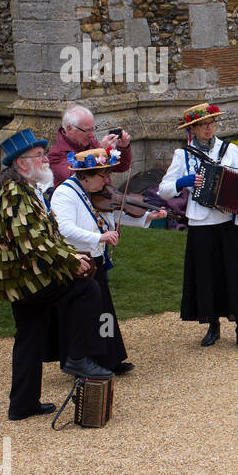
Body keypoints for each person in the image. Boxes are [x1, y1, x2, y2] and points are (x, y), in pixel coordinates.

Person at [0, 129, 112, 421]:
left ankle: (22, 404)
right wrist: (71, 261)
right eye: (39, 156)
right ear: (21, 163)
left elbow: (47, 235)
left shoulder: (27, 191)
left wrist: (70, 255)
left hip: (22, 278)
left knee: (29, 336)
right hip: (25, 278)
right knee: (85, 289)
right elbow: (33, 241)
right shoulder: (15, 193)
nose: (45, 160)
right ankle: (77, 358)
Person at [50, 147, 165, 375]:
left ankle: (109, 358)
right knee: (84, 314)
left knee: (104, 312)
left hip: (96, 259)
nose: (107, 180)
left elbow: (113, 212)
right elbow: (64, 229)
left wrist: (146, 217)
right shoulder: (65, 194)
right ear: (85, 176)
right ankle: (82, 360)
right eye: (102, 176)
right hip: (78, 262)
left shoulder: (93, 192)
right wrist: (98, 237)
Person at [160, 103, 238, 350]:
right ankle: (213, 326)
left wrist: (229, 187)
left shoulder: (229, 150)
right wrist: (183, 182)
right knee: (207, 275)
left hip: (228, 221)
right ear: (193, 129)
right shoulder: (182, 155)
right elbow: (164, 188)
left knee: (236, 274)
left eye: (211, 124)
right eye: (203, 125)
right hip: (201, 223)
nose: (209, 128)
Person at [47, 104, 134, 187]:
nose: (92, 135)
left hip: (105, 196)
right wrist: (101, 152)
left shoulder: (90, 142)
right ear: (70, 129)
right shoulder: (55, 154)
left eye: (93, 129)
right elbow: (81, 179)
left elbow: (121, 167)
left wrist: (123, 148)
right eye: (87, 130)